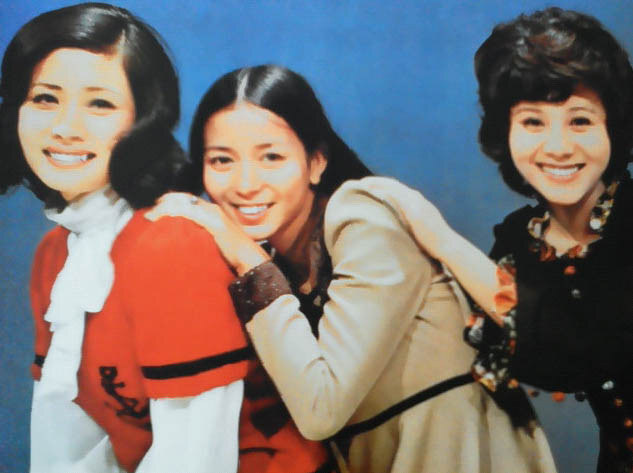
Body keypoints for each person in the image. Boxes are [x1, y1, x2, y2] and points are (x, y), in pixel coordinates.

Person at [147, 64, 556, 473]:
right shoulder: (273, 257)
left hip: (459, 455)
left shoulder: (363, 218)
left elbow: (320, 410)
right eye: (222, 160)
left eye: (271, 157)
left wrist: (249, 260)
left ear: (316, 161)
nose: (245, 184)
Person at [0, 4, 331, 472]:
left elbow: (196, 456)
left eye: (100, 104)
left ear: (144, 120)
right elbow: (67, 435)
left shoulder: (171, 245)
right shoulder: (53, 254)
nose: (66, 128)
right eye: (45, 98)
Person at [363, 7, 633, 473]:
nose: (558, 147)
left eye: (580, 121)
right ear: (504, 132)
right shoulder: (519, 242)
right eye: (532, 122)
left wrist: (440, 239)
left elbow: (575, 351)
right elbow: (498, 361)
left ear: (614, 126)